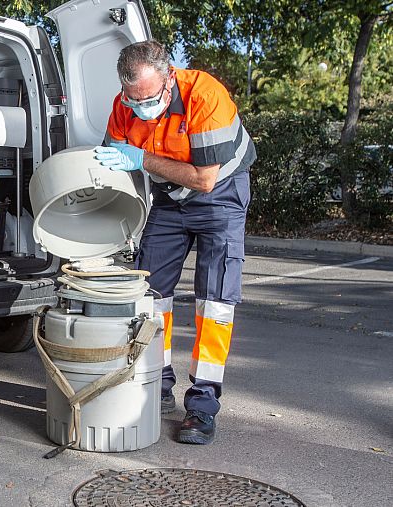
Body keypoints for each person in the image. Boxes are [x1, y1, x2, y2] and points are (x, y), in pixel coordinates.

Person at [93, 40, 256, 445]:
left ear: (170, 79)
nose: (139, 106)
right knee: (149, 294)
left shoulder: (205, 95)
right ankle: (156, 383)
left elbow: (205, 179)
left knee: (215, 302)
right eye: (133, 99)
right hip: (168, 199)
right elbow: (115, 161)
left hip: (220, 195)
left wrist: (141, 159)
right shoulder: (123, 106)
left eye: (148, 98)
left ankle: (202, 406)